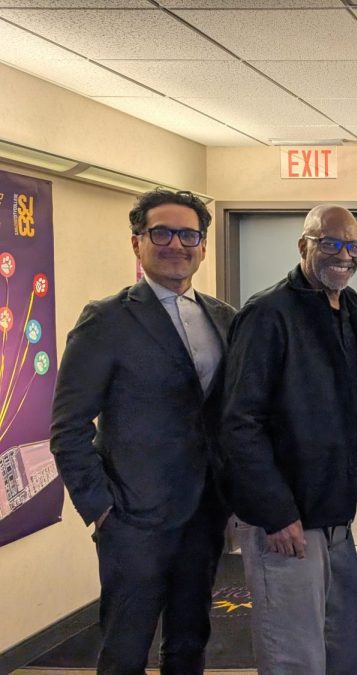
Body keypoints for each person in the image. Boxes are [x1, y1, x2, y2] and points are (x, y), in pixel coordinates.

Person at [50, 189, 234, 674]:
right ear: (137, 244)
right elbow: (67, 427)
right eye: (162, 232)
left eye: (189, 234)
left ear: (203, 245)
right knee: (125, 649)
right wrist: (102, 509)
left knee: (190, 642)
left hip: (204, 512)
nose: (177, 244)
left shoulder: (223, 318)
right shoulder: (106, 320)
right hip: (133, 519)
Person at [220, 204, 357, 673]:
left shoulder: (344, 309)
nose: (344, 255)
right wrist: (276, 513)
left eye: (352, 245)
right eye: (330, 243)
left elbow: (350, 396)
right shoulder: (268, 314)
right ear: (304, 246)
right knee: (295, 656)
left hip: (336, 512)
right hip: (287, 521)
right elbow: (239, 423)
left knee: (344, 648)